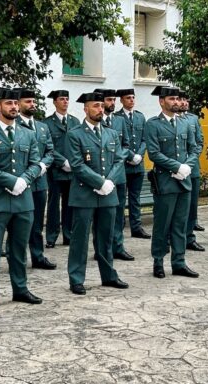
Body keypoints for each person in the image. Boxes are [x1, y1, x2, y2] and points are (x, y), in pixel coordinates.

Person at [0, 87, 43, 311]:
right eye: (8, 104)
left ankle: (20, 289)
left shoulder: (27, 133)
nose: (13, 107)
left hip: (24, 200)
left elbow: (35, 163)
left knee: (19, 248)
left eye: (15, 103)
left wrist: (24, 179)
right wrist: (11, 182)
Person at [66, 92, 129, 295]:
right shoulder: (75, 134)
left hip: (108, 194)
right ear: (85, 109)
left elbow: (119, 160)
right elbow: (77, 164)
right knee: (80, 240)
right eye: (95, 106)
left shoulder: (111, 134)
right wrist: (100, 182)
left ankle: (108, 275)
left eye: (102, 106)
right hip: (84, 195)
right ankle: (76, 279)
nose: (100, 109)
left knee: (106, 238)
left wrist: (110, 181)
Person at [145, 86, 200, 279]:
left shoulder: (185, 122)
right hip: (165, 182)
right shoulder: (153, 124)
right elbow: (154, 153)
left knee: (180, 224)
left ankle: (179, 262)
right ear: (162, 102)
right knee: (162, 224)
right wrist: (176, 167)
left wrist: (187, 167)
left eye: (177, 99)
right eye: (172, 99)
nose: (176, 102)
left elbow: (194, 148)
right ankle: (158, 261)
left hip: (184, 181)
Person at [14, 88, 57, 270]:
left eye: (33, 101)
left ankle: (38, 256)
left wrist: (42, 166)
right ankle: (16, 257)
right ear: (18, 104)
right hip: (21, 183)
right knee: (19, 223)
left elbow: (50, 151)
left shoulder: (42, 127)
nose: (32, 105)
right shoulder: (13, 125)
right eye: (28, 102)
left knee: (38, 222)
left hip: (39, 182)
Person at [94, 88, 133, 260]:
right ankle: (100, 249)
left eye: (113, 100)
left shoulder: (119, 120)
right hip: (100, 177)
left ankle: (118, 246)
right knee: (100, 215)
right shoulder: (94, 121)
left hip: (118, 174)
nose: (111, 103)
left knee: (118, 214)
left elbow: (126, 145)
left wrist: (119, 158)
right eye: (108, 100)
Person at [44, 90, 81, 248]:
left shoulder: (75, 121)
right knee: (53, 204)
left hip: (72, 170)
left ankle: (68, 235)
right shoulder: (47, 123)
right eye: (62, 99)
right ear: (54, 102)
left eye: (67, 99)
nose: (65, 102)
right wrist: (63, 162)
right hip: (55, 170)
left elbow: (79, 144)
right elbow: (48, 147)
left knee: (69, 204)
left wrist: (72, 162)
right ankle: (51, 237)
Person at [114, 89, 150, 242]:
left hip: (138, 165)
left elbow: (144, 139)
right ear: (121, 100)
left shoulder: (140, 117)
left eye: (133, 97)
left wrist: (139, 156)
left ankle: (136, 227)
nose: (131, 100)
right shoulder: (116, 118)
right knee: (121, 199)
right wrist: (130, 156)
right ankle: (119, 226)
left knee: (135, 198)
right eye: (128, 98)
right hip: (123, 165)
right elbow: (118, 142)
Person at [179, 92, 207, 251]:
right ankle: (173, 236)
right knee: (177, 207)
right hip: (175, 170)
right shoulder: (171, 120)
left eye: (185, 99)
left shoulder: (193, 119)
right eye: (181, 99)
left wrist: (189, 163)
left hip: (192, 169)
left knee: (192, 206)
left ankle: (189, 237)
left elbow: (199, 142)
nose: (183, 102)